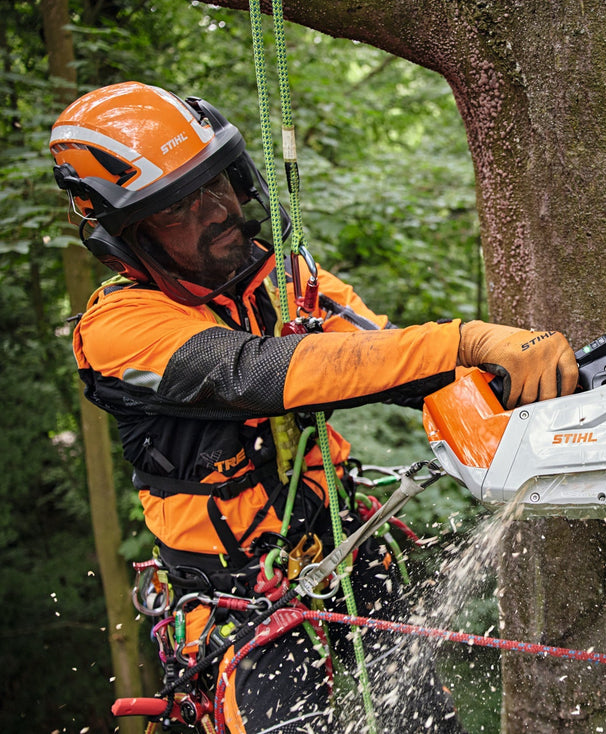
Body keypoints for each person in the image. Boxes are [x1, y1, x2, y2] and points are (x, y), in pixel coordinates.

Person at [50, 81, 578, 733]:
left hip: (346, 548)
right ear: (128, 241)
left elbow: (380, 356)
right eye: (177, 211)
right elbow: (256, 373)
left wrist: (498, 383)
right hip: (237, 598)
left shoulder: (283, 279)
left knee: (427, 721)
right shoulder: (120, 327)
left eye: (219, 186)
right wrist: (462, 338)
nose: (215, 214)